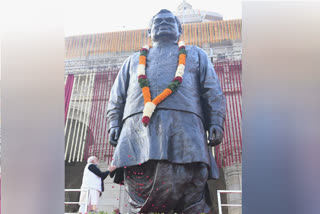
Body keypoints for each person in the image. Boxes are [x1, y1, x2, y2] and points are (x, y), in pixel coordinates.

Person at [107, 9, 226, 214]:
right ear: (148, 32)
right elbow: (117, 96)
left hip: (185, 126)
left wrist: (216, 121)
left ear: (180, 30)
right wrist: (113, 123)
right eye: (158, 22)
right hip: (137, 131)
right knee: (137, 184)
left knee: (190, 183)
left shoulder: (196, 54)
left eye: (169, 21)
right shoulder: (133, 60)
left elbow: (212, 90)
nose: (163, 24)